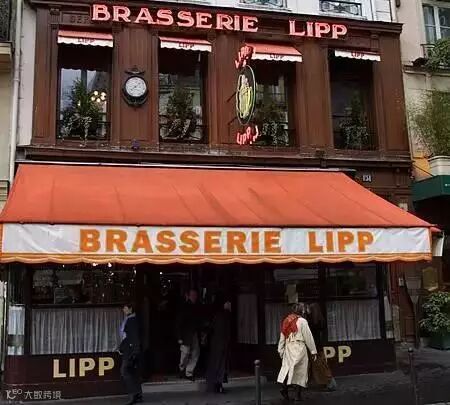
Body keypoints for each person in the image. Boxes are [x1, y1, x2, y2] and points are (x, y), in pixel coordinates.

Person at [277, 303, 317, 402]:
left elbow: (282, 336)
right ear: (301, 311)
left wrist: (280, 349)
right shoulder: (303, 321)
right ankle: (297, 395)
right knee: (300, 371)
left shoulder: (286, 320)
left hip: (289, 347)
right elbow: (308, 336)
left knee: (287, 369)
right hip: (299, 347)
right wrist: (313, 351)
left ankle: (284, 388)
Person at [307, 303, 337, 391]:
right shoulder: (320, 320)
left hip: (314, 346)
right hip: (318, 345)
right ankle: (327, 382)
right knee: (321, 365)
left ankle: (329, 383)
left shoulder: (312, 322)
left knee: (319, 365)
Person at [119, 303, 143, 405]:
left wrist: (135, 351)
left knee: (124, 371)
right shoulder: (129, 319)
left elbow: (133, 337)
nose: (123, 310)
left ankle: (133, 394)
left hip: (130, 350)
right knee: (133, 372)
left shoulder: (132, 320)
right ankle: (138, 394)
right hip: (129, 349)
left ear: (130, 309)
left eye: (125, 308)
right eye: (123, 308)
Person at [176, 288, 202, 381]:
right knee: (185, 353)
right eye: (192, 295)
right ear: (188, 296)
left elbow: (199, 321)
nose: (194, 297)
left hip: (194, 333)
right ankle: (182, 369)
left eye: (195, 295)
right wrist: (179, 336)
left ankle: (188, 372)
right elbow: (179, 322)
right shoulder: (185, 307)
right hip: (186, 334)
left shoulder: (197, 307)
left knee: (195, 353)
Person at [206, 300, 232, 393]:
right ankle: (217, 385)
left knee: (217, 364)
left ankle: (215, 384)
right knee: (220, 365)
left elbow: (211, 328)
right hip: (221, 344)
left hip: (217, 343)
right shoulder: (225, 316)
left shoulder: (218, 316)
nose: (230, 306)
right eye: (229, 304)